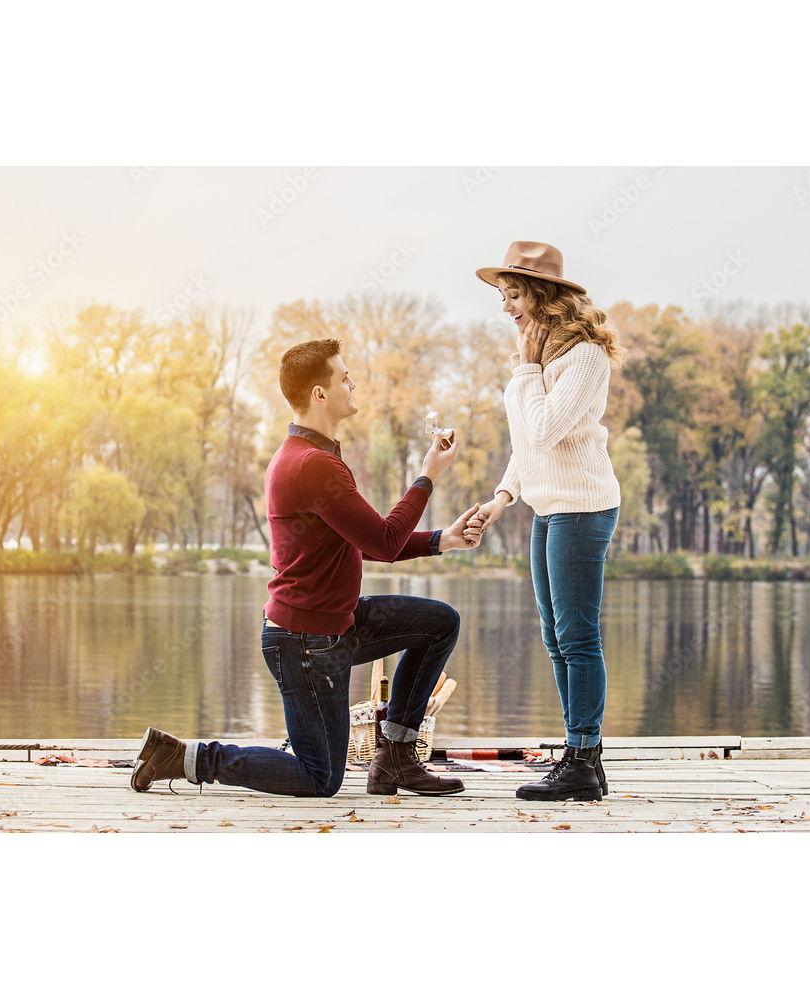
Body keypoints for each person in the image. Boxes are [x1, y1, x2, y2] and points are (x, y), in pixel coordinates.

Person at [132, 338, 484, 798]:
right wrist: (427, 475)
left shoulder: (313, 457)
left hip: (336, 624)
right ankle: (184, 757)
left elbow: (368, 543)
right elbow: (382, 538)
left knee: (439, 623)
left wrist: (444, 540)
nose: (352, 384)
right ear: (320, 393)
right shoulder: (312, 465)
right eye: (344, 377)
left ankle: (395, 758)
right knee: (319, 777)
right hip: (304, 642)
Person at [465, 241, 624, 801]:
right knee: (555, 639)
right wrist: (502, 497)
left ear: (541, 295)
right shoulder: (533, 358)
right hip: (547, 505)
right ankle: (580, 759)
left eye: (513, 295)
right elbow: (526, 446)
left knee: (577, 635)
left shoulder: (581, 357)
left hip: (583, 505)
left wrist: (529, 368)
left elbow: (548, 430)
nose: (506, 307)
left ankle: (584, 757)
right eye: (504, 295)